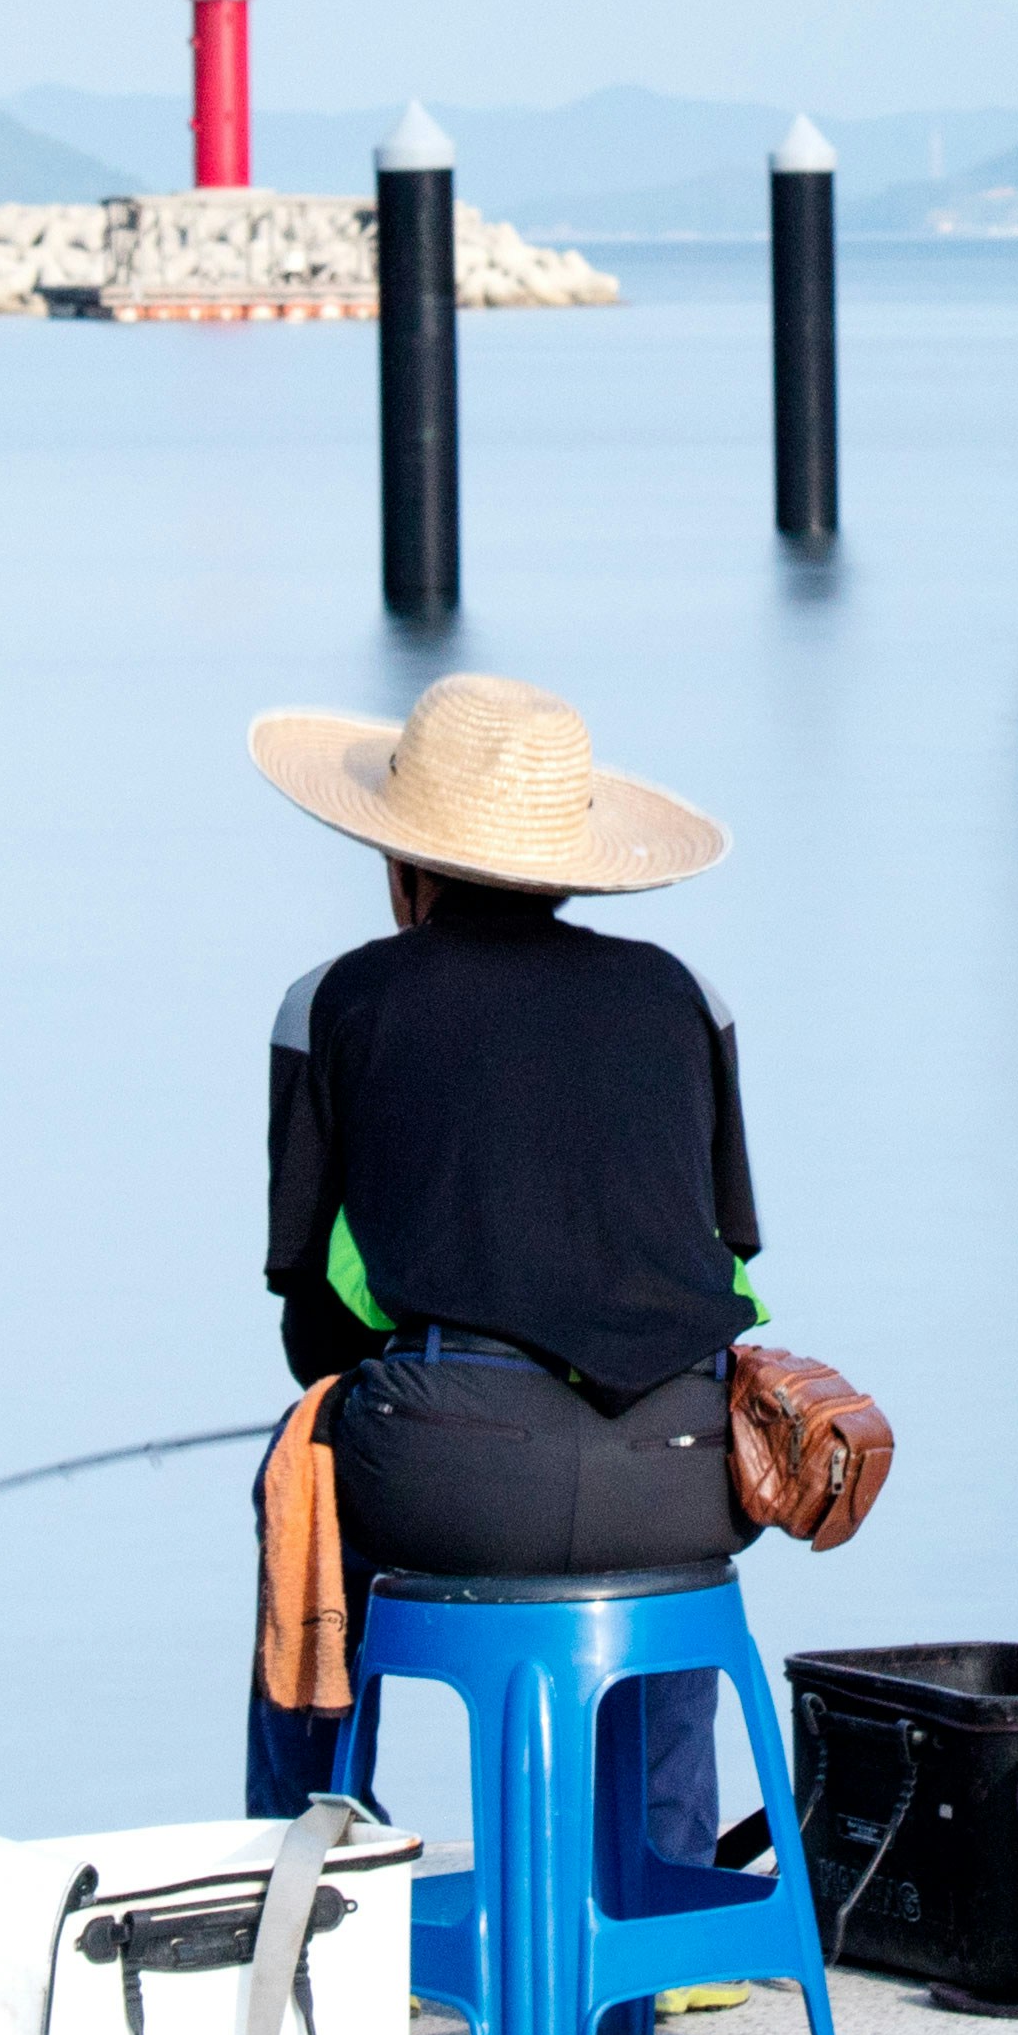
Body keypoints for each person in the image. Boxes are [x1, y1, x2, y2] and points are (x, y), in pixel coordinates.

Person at [242, 673, 770, 1785]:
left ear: (402, 862)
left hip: (457, 1469)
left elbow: (313, 1322)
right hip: (689, 1467)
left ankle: (299, 1884)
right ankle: (666, 1900)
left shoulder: (331, 1002)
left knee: (297, 1476)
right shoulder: (686, 996)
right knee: (660, 1569)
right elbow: (724, 1252)